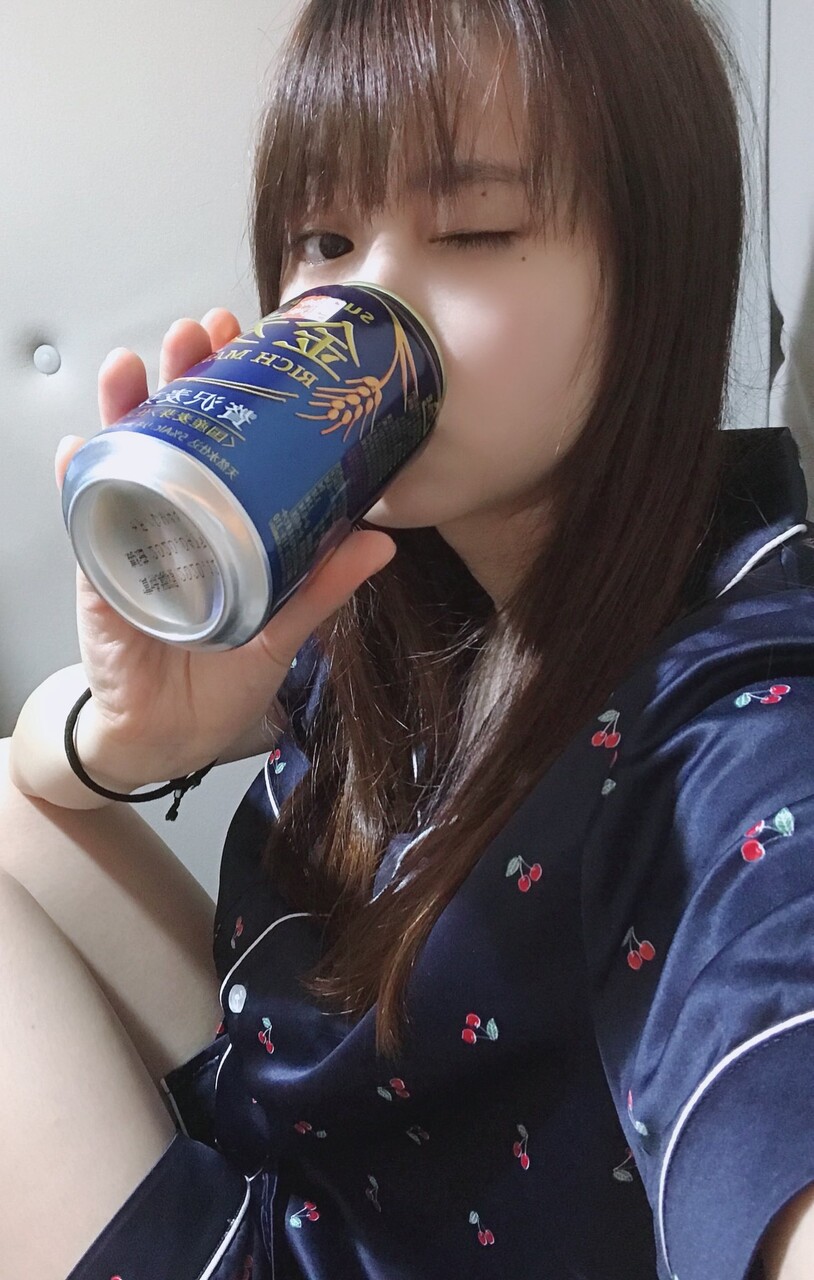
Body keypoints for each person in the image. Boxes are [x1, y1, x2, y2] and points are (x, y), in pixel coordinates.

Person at [2, 0, 813, 1277]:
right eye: (326, 239)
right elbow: (32, 782)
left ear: (652, 274)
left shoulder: (738, 713)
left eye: (473, 229)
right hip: (314, 1144)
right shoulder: (395, 564)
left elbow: (771, 976)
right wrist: (134, 738)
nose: (360, 302)